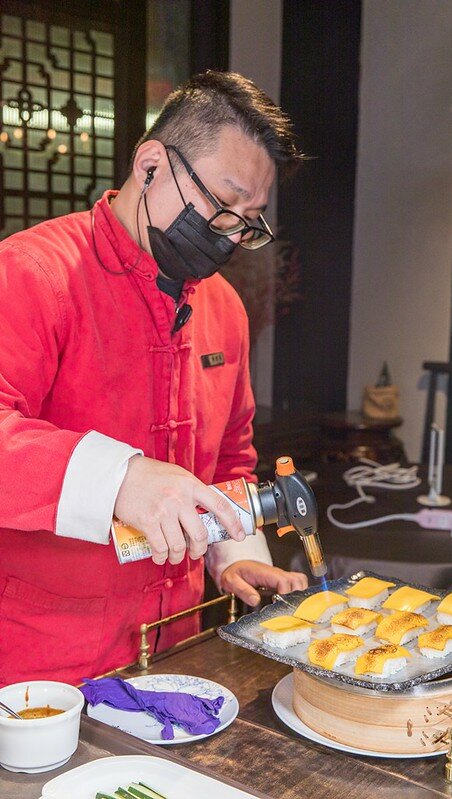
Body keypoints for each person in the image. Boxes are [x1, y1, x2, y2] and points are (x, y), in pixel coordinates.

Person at [0, 71, 308, 687]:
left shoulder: (223, 308)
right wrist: (121, 479)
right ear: (150, 166)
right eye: (223, 206)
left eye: (249, 221)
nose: (230, 237)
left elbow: (229, 458)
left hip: (173, 646)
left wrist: (232, 553)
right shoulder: (33, 274)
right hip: (42, 661)